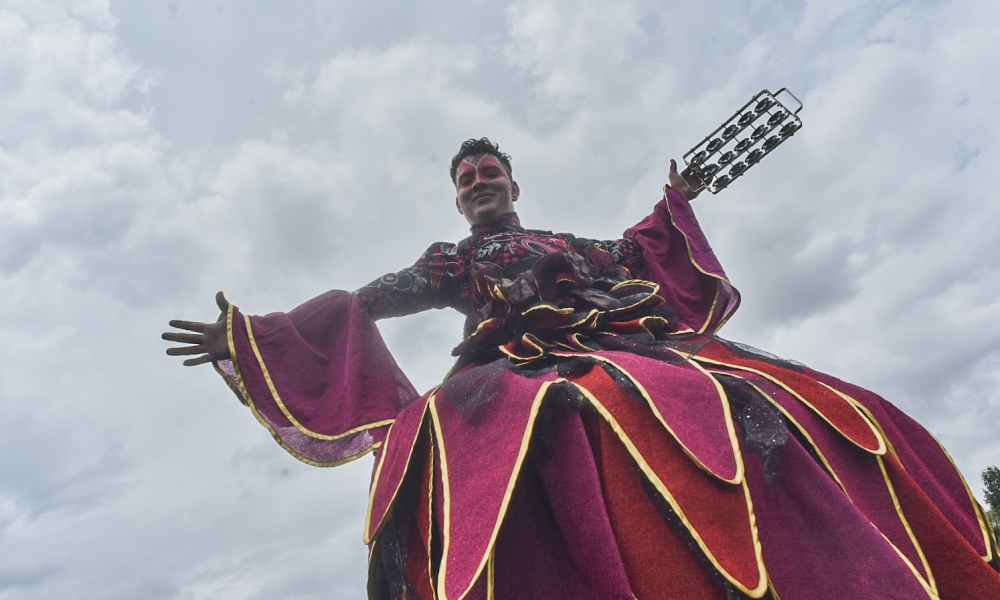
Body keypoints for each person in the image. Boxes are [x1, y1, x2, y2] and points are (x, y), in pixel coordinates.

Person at [164, 138, 1000, 599]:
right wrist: (259, 335)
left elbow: (640, 249)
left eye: (489, 171)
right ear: (458, 201)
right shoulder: (459, 259)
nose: (479, 182)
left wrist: (676, 201)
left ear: (513, 182)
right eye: (466, 179)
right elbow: (368, 299)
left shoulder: (578, 246)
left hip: (638, 343)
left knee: (791, 401)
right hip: (520, 368)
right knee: (451, 444)